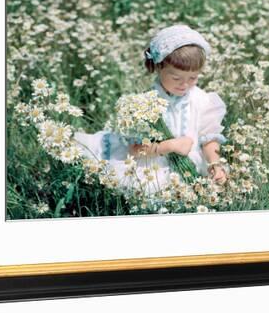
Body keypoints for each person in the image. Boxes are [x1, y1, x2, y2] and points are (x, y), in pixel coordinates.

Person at [74, 24, 228, 194]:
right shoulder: (144, 105)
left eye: (193, 78)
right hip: (152, 163)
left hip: (191, 162)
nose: (185, 84)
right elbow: (135, 150)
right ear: (158, 67)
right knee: (150, 188)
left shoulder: (201, 100)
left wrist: (214, 163)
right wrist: (170, 146)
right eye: (176, 77)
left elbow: (209, 138)